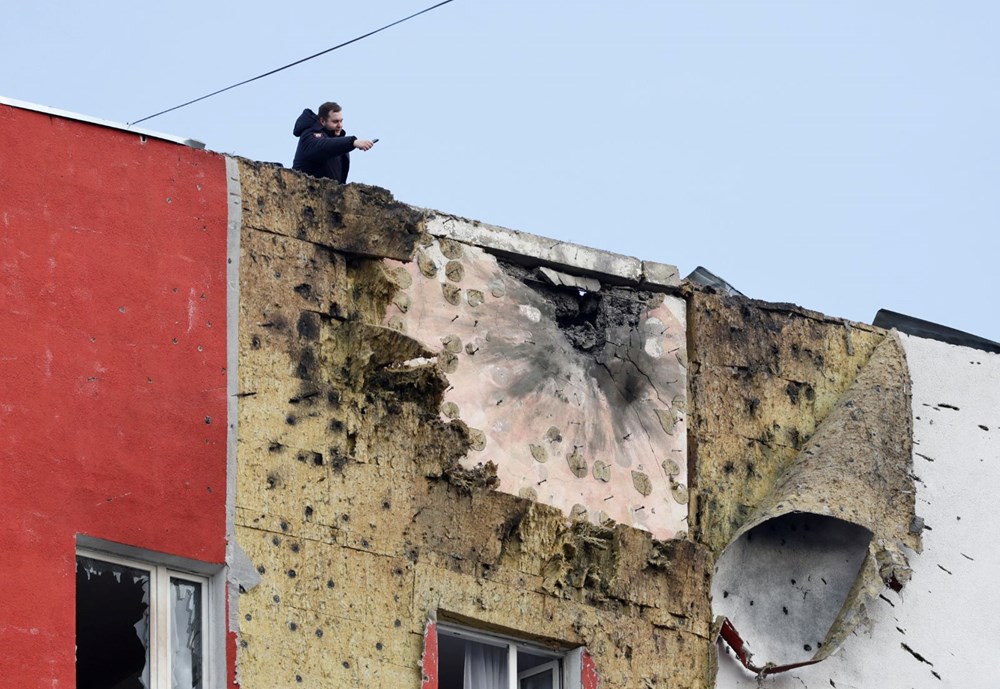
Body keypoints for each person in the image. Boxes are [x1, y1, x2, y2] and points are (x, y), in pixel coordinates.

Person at [292, 102, 375, 183]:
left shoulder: (337, 141)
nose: (340, 125)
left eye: (341, 121)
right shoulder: (309, 135)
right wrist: (352, 142)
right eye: (335, 122)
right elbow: (322, 146)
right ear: (322, 121)